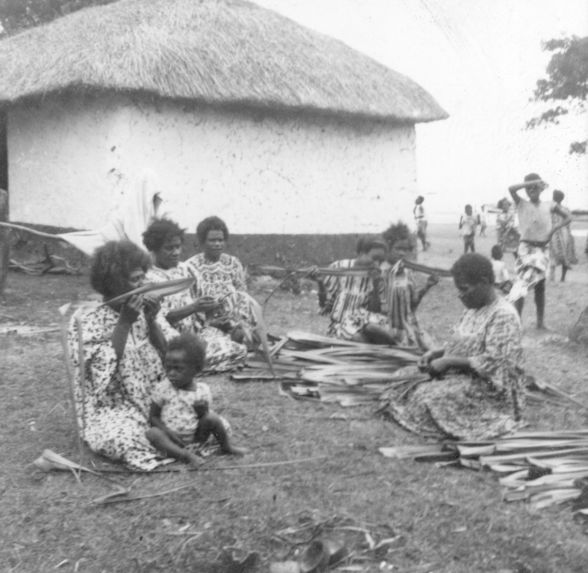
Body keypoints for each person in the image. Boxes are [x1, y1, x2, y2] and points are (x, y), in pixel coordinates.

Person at [381, 253, 525, 441]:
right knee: (400, 379)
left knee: (429, 397)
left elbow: (496, 362)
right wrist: (436, 353)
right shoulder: (472, 309)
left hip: (489, 387)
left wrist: (449, 361)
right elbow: (461, 343)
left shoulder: (503, 315)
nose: (460, 296)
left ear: (483, 282)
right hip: (460, 375)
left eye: (464, 289)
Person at [67, 240, 176, 471]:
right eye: (135, 280)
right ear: (114, 283)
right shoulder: (87, 320)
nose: (143, 285)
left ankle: (163, 435)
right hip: (111, 406)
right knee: (121, 439)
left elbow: (168, 355)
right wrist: (125, 321)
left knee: (192, 417)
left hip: (152, 400)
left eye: (143, 277)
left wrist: (151, 320)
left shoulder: (142, 310)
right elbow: (100, 372)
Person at [143, 219, 247, 372]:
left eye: (178, 247)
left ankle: (187, 365)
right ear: (154, 249)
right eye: (169, 248)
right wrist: (194, 307)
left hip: (194, 334)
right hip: (170, 340)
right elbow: (160, 320)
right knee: (237, 351)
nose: (176, 252)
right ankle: (182, 364)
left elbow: (201, 305)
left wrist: (212, 320)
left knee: (237, 344)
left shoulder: (185, 269)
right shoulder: (148, 278)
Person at [146, 333, 246, 465]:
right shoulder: (163, 389)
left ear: (196, 369)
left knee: (212, 418)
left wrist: (203, 412)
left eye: (178, 369)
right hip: (170, 438)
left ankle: (226, 447)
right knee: (153, 433)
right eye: (168, 368)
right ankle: (184, 455)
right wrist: (167, 431)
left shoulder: (202, 391)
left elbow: (204, 419)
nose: (171, 373)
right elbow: (153, 417)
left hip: (196, 438)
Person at [506, 174, 571, 329]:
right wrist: (532, 182)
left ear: (541, 189)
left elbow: (568, 216)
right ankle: (517, 321)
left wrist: (554, 228)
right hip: (526, 249)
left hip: (543, 249)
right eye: (529, 188)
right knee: (521, 284)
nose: (531, 190)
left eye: (535, 187)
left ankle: (540, 323)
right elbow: (511, 189)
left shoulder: (549, 205)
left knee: (540, 286)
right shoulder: (521, 203)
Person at [185, 216, 254, 344]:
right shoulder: (190, 267)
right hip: (206, 324)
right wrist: (209, 322)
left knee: (252, 338)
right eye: (212, 240)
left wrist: (239, 321)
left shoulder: (233, 263)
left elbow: (243, 296)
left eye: (221, 240)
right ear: (202, 242)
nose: (217, 244)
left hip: (234, 322)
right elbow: (188, 304)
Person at [317, 237, 393, 343]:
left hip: (365, 322)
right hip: (341, 325)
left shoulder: (378, 277)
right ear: (361, 253)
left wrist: (375, 285)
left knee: (374, 329)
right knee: (359, 339)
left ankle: (398, 348)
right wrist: (320, 283)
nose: (377, 264)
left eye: (381, 261)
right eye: (374, 258)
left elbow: (375, 311)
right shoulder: (340, 268)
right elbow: (323, 305)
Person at [381, 222, 438, 350]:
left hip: (408, 330)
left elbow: (412, 305)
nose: (402, 253)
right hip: (385, 331)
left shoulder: (407, 273)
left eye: (405, 249)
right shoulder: (380, 272)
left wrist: (427, 286)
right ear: (388, 248)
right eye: (397, 248)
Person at [549, 190, 577, 282]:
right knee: (564, 255)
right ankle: (562, 278)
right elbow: (568, 224)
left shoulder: (551, 208)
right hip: (564, 233)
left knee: (553, 255)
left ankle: (552, 277)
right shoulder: (565, 209)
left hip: (554, 233)